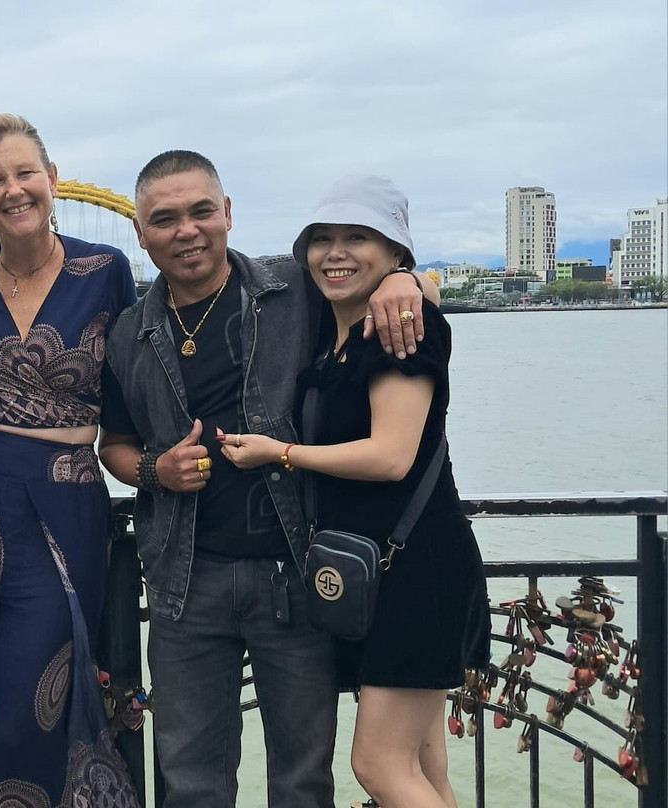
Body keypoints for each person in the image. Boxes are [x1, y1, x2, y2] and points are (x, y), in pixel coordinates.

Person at [98, 152, 435, 808]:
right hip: (183, 584)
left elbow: (383, 282)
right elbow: (112, 445)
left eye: (201, 211)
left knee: (303, 780)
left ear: (227, 213)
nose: (187, 230)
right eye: (164, 219)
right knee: (190, 781)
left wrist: (404, 281)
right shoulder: (128, 334)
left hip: (298, 574)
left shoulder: (296, 290)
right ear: (139, 233)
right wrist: (155, 470)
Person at [221, 175, 490, 808]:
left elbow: (391, 456)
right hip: (369, 572)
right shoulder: (334, 329)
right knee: (424, 768)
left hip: (415, 571)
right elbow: (422, 284)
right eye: (323, 239)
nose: (335, 253)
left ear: (395, 250)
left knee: (378, 764)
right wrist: (411, 280)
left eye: (358, 238)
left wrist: (280, 453)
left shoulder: (405, 329)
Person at [0, 113, 140, 807]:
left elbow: (138, 383)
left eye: (26, 173)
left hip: (64, 497)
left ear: (52, 180)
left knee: (35, 693)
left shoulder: (105, 271)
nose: (14, 189)